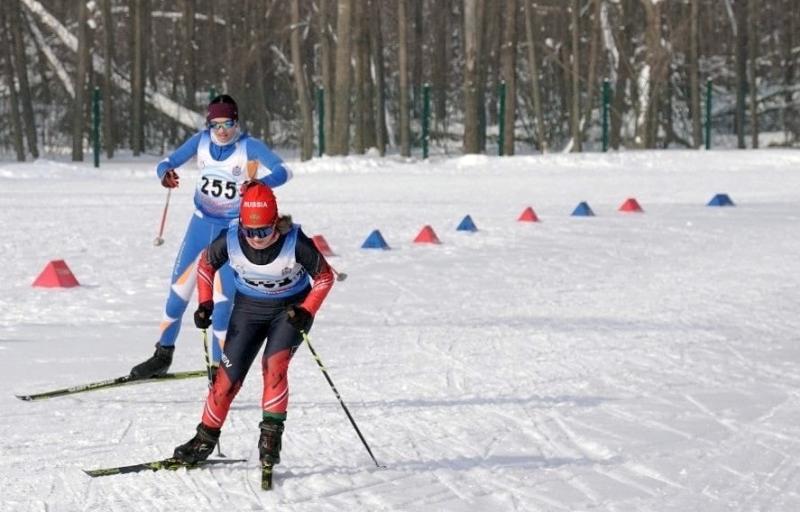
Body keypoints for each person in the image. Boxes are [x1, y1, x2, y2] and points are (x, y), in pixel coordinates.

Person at [172, 182, 334, 468]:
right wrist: (205, 303)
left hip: (289, 312)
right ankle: (204, 438)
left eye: (264, 231)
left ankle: (270, 437)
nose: (257, 238)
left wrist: (307, 310)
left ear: (277, 223)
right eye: (251, 231)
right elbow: (206, 264)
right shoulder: (232, 237)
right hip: (248, 311)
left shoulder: (295, 241)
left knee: (274, 367)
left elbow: (324, 277)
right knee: (225, 380)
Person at [130, 95, 292, 379]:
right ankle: (162, 355)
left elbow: (285, 170)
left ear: (236, 122)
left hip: (231, 233)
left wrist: (259, 183)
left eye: (227, 123)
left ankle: (219, 369)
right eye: (215, 125)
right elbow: (168, 161)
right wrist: (164, 174)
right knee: (177, 295)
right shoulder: (201, 141)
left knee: (222, 300)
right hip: (199, 227)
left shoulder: (248, 147)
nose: (221, 131)